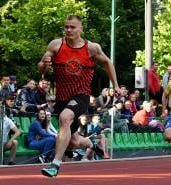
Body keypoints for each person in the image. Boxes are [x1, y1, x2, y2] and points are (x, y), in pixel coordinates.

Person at [37, 15, 121, 177]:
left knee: (65, 117)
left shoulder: (91, 48)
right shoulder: (55, 45)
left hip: (80, 95)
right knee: (73, 142)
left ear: (80, 29)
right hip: (62, 98)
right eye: (66, 26)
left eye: (72, 27)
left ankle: (55, 165)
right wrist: (44, 65)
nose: (69, 30)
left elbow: (107, 63)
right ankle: (92, 144)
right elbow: (41, 69)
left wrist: (115, 85)